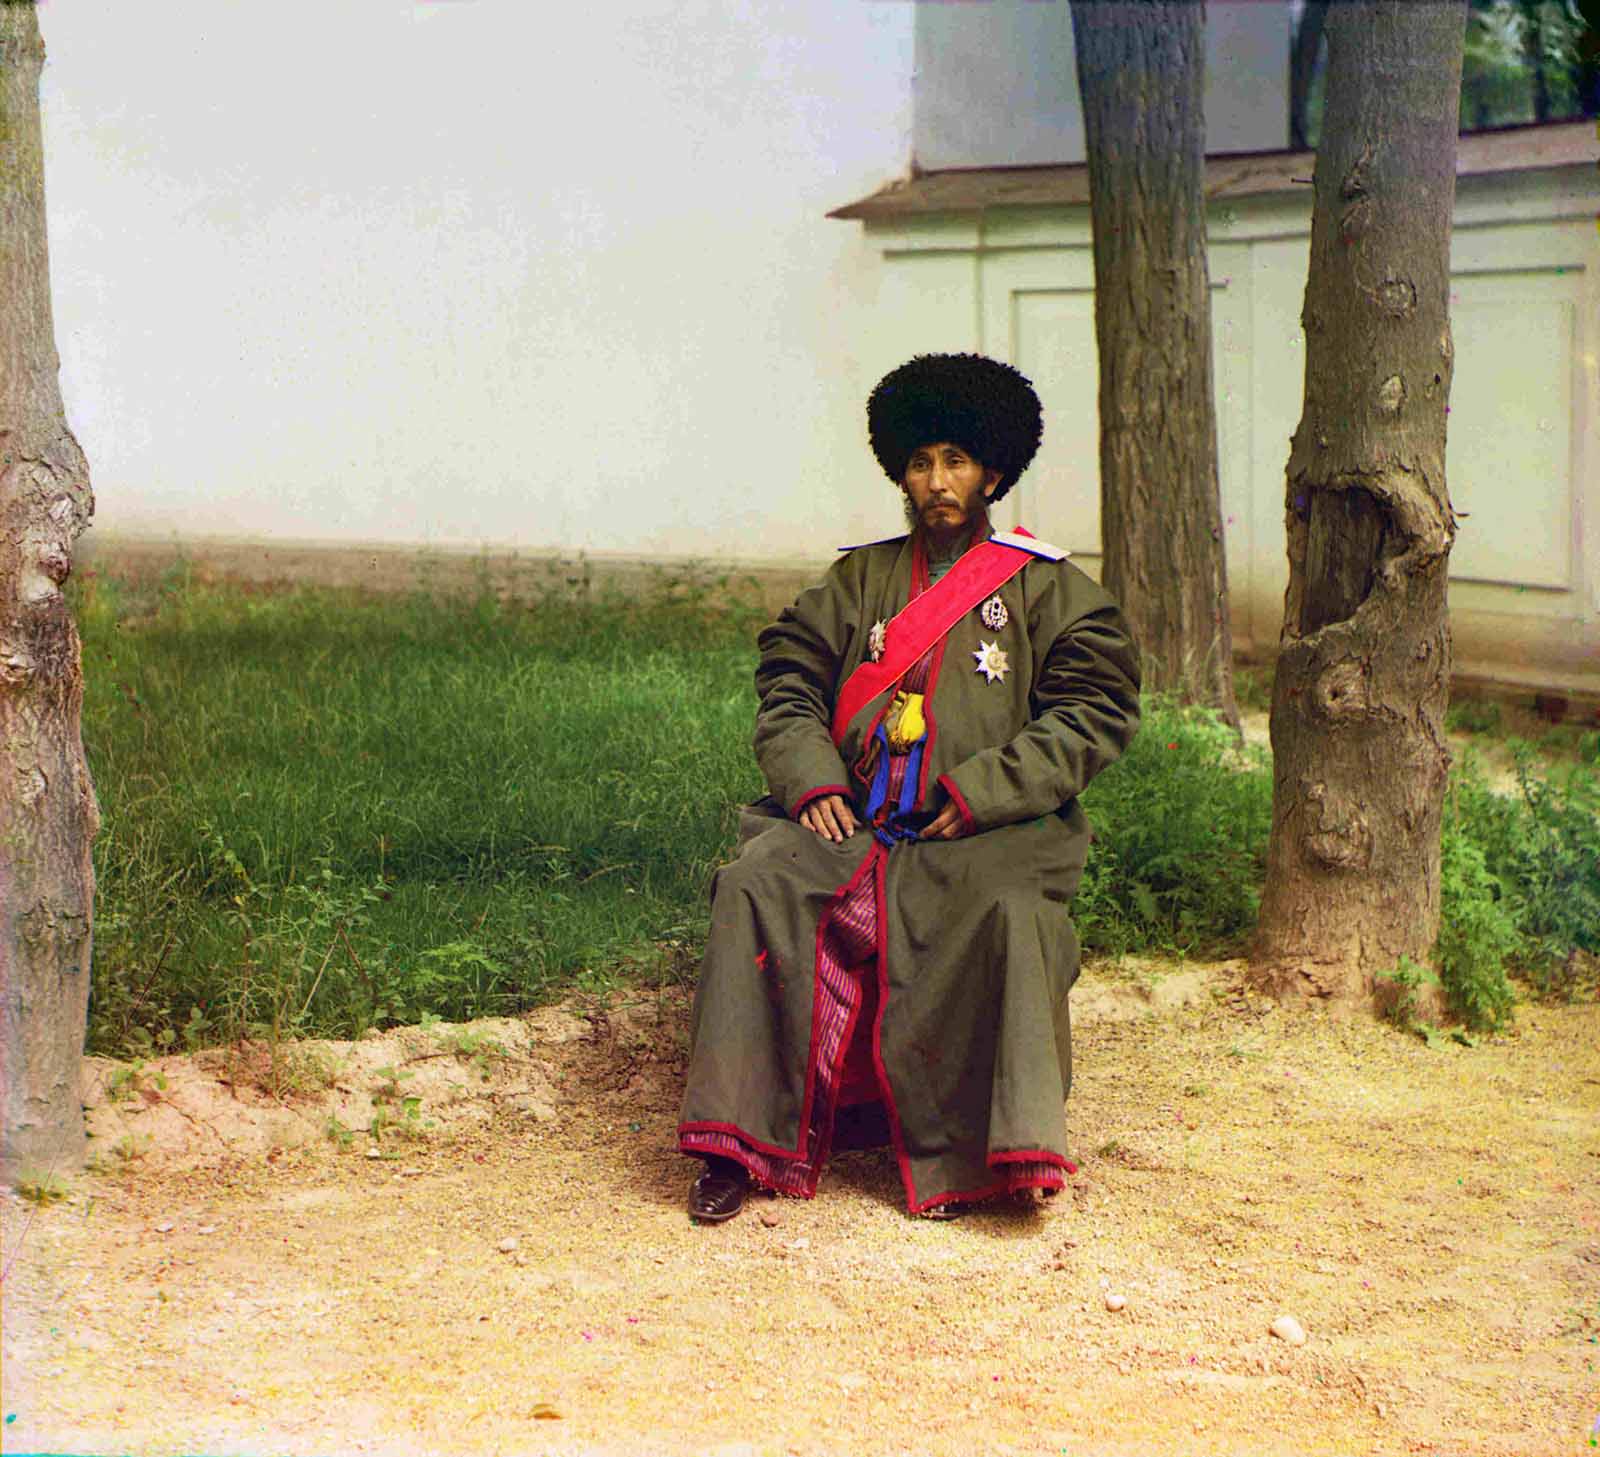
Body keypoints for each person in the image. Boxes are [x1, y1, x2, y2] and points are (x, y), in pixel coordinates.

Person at [677, 352, 1141, 1221]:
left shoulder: (1051, 589)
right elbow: (789, 681)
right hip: (851, 824)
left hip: (979, 832)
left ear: (992, 472)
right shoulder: (859, 582)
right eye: (921, 463)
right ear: (902, 471)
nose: (937, 482)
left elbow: (1094, 712)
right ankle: (741, 1144)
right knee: (757, 885)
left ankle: (989, 1156)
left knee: (1006, 913)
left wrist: (978, 792)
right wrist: (812, 777)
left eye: (956, 462)